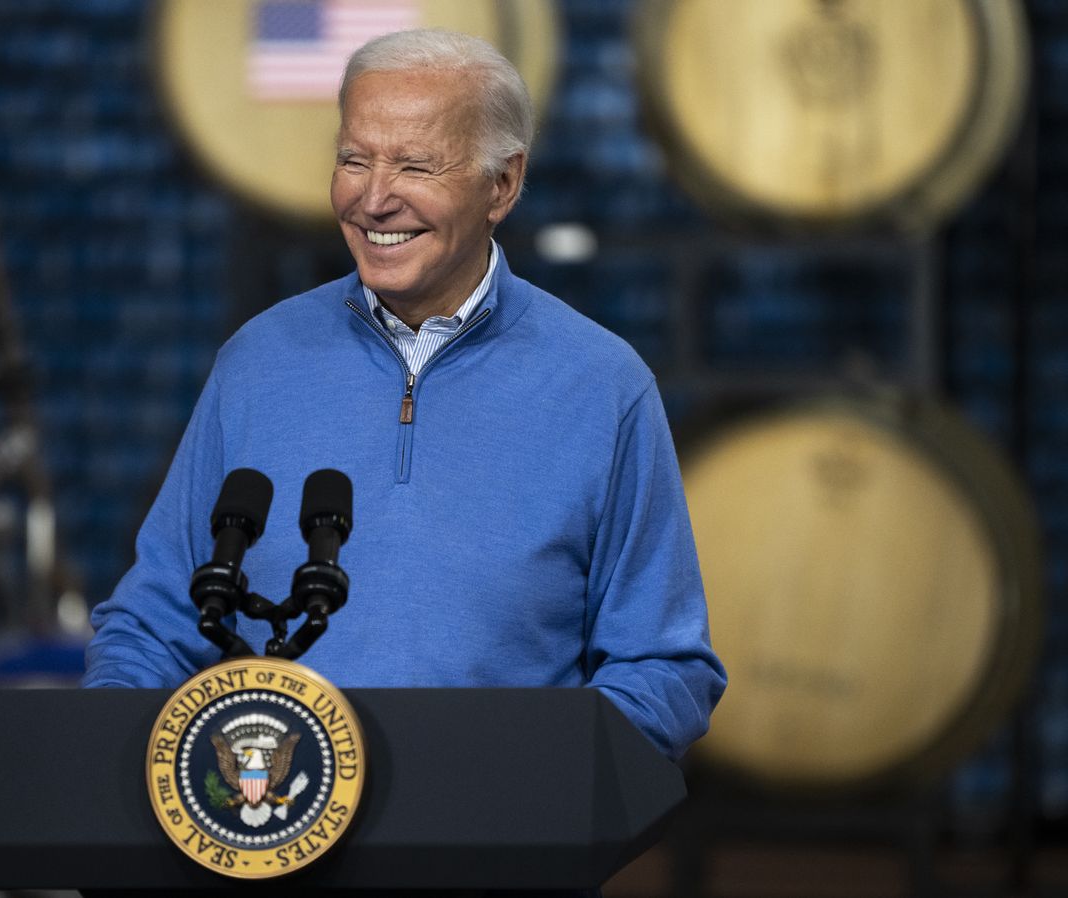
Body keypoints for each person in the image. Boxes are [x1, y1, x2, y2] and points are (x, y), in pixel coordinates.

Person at [83, 29, 724, 761]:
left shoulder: (604, 387)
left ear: (503, 185)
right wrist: (117, 756)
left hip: (498, 854)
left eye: (415, 166)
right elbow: (153, 619)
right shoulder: (257, 362)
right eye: (354, 160)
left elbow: (663, 668)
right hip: (273, 844)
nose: (374, 199)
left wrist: (539, 789)